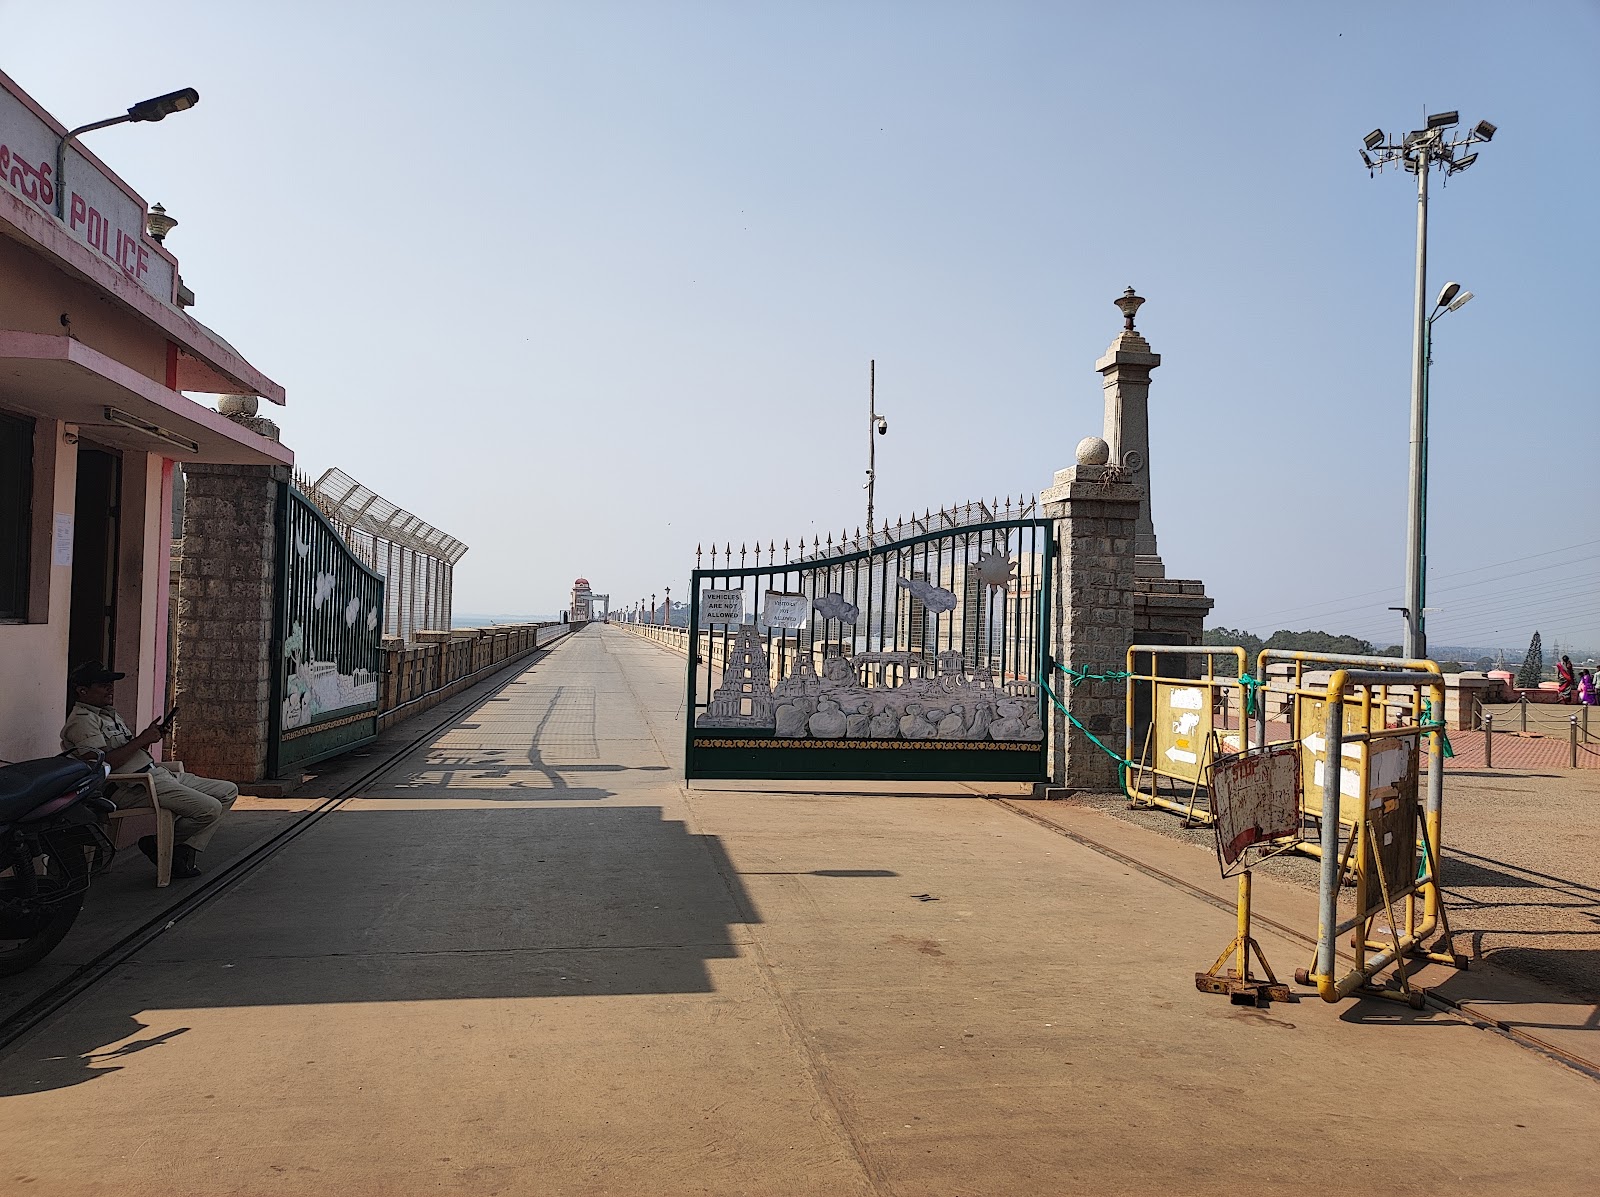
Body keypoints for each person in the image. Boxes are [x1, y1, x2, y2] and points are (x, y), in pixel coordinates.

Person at [60, 661, 237, 879]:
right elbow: (102, 765)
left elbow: (127, 751)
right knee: (209, 808)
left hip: (155, 774)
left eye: (111, 684)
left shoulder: (108, 714)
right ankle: (163, 845)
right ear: (82, 690)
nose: (110, 689)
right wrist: (141, 740)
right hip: (130, 786)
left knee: (228, 791)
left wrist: (149, 737)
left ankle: (177, 848)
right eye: (103, 685)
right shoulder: (81, 722)